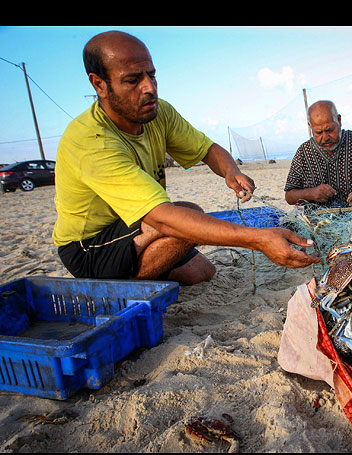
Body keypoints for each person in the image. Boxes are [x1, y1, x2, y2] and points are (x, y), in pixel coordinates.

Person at [52, 30, 319, 286]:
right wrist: (257, 239)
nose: (149, 88)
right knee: (187, 215)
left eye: (152, 75)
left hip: (134, 227)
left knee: (202, 272)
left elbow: (207, 149)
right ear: (99, 84)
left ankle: (142, 270)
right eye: (133, 80)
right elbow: (162, 217)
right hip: (89, 246)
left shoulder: (158, 113)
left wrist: (230, 171)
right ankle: (121, 287)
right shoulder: (90, 140)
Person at [284, 100, 352, 208]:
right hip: (320, 222)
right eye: (318, 132)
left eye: (330, 130)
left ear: (339, 120)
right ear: (310, 126)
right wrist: (311, 193)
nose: (325, 137)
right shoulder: (304, 152)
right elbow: (289, 196)